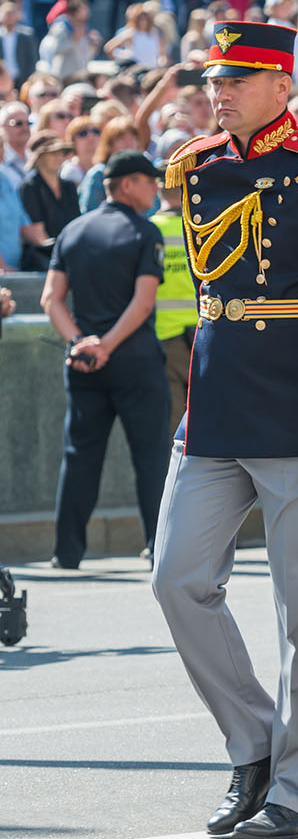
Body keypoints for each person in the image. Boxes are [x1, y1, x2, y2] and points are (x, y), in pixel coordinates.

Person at [149, 20, 298, 839]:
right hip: (215, 410)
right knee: (175, 577)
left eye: (240, 78)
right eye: (215, 78)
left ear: (283, 85)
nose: (221, 90)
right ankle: (252, 743)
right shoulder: (198, 166)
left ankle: (296, 787)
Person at [39, 150, 169, 568]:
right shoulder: (145, 232)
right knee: (150, 457)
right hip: (133, 361)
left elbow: (51, 299)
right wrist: (108, 344)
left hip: (83, 364)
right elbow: (143, 302)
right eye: (150, 180)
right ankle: (160, 547)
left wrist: (81, 342)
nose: (156, 188)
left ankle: (67, 552)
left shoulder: (73, 231)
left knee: (79, 456)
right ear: (127, 184)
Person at [150, 161, 199, 435]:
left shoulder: (147, 230)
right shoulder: (200, 229)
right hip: (201, 339)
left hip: (164, 338)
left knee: (171, 432)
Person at [18, 130, 80, 270]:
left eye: (61, 152)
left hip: (70, 256)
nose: (59, 157)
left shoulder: (69, 186)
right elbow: (39, 237)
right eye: (53, 152)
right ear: (38, 157)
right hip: (45, 260)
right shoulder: (30, 187)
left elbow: (76, 225)